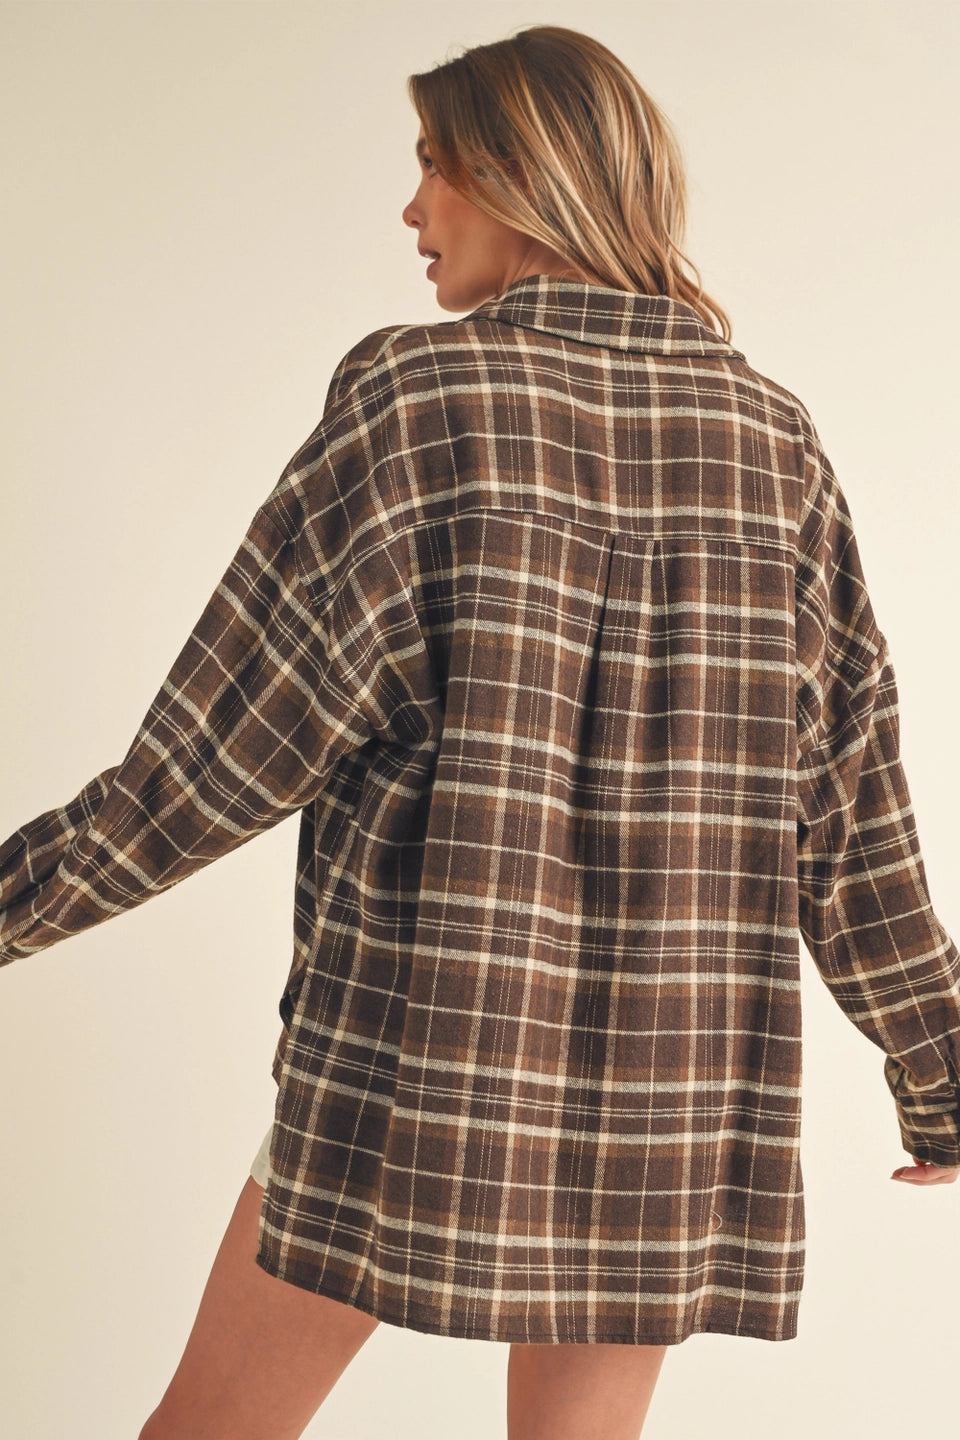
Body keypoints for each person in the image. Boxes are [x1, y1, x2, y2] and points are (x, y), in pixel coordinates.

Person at [2, 21, 959, 1440]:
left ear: (521, 176)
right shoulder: (776, 441)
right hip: (670, 1075)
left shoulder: (420, 399)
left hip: (425, 1048)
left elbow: (216, 760)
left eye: (433, 166)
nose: (412, 208)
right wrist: (941, 1067)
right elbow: (853, 810)